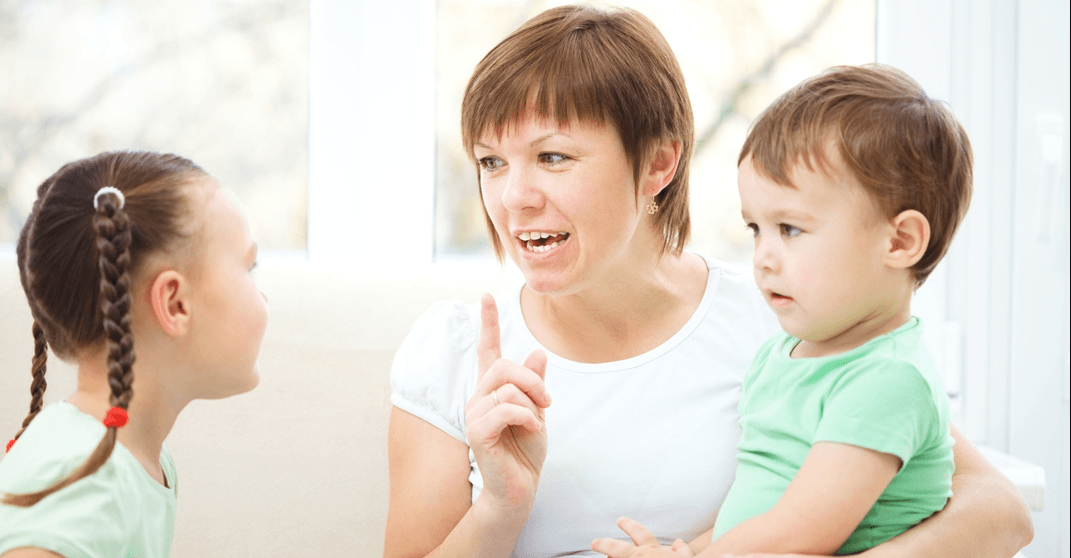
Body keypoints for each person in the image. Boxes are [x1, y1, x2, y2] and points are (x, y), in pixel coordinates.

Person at [384, 6, 1032, 558]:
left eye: (553, 156)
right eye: (492, 161)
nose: (513, 196)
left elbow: (999, 509)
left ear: (659, 164)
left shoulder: (786, 320)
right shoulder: (456, 350)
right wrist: (499, 508)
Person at [592, 64, 977, 558]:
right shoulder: (780, 355)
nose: (764, 256)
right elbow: (754, 509)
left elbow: (803, 531)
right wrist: (686, 552)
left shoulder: (889, 379)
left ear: (900, 241)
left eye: (790, 229)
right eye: (756, 228)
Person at [0, 151, 268, 558]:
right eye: (250, 267)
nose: (264, 295)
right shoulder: (82, 487)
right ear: (175, 304)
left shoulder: (139, 459)